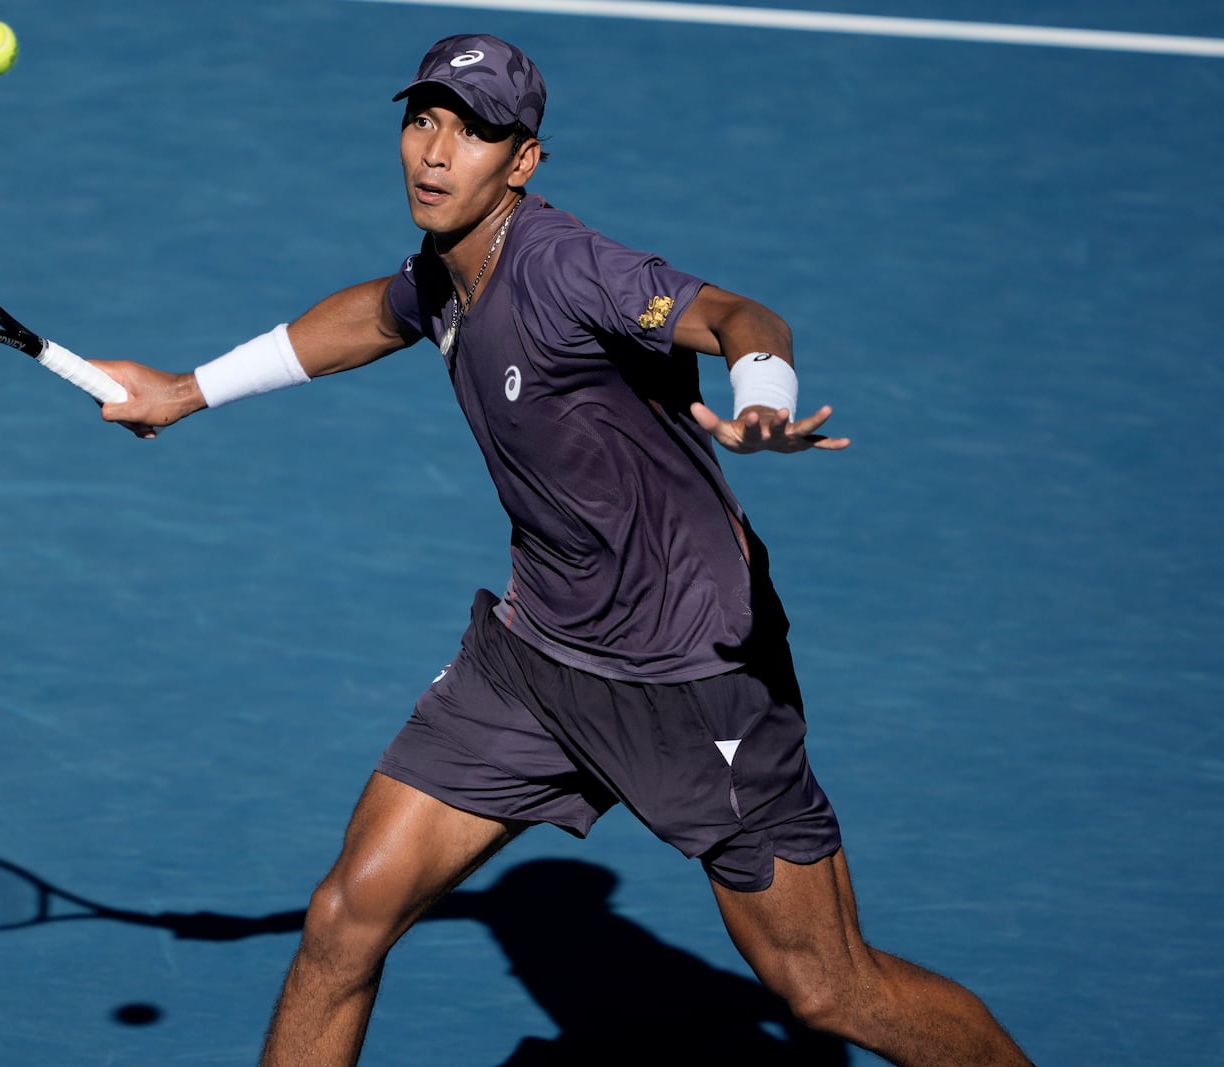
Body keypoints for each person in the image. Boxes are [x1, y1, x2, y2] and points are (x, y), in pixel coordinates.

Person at [90, 33, 1031, 1067]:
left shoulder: (567, 268)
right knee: (344, 917)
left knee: (825, 987)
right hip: (534, 661)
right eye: (424, 120)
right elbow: (376, 311)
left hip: (692, 680)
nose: (437, 152)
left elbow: (733, 314)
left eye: (475, 131)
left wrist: (762, 394)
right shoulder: (448, 271)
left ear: (523, 161)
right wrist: (186, 390)